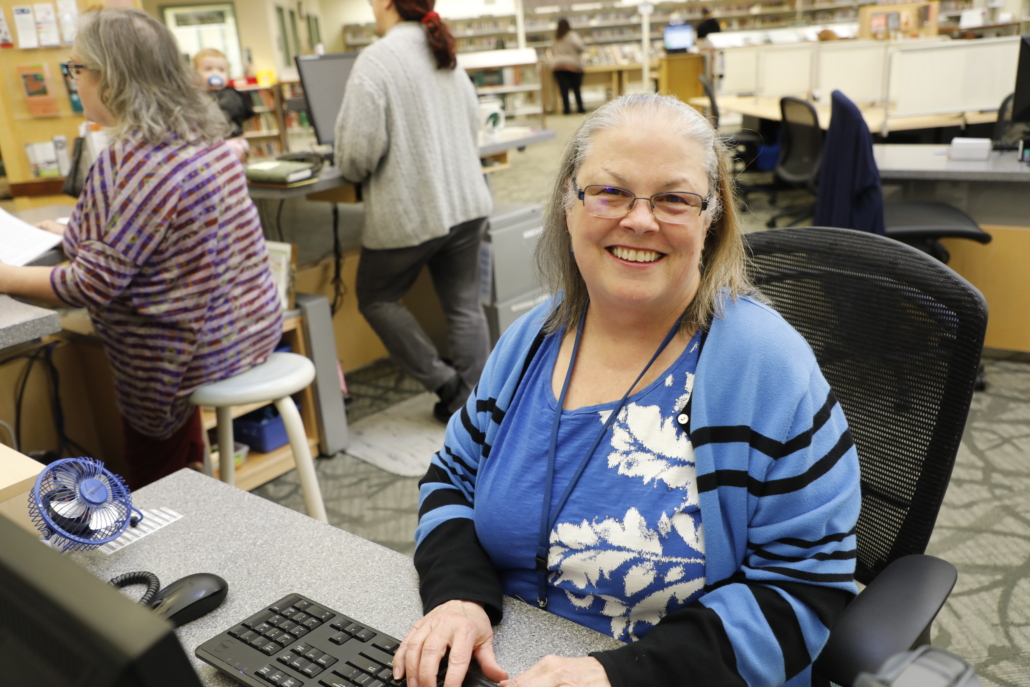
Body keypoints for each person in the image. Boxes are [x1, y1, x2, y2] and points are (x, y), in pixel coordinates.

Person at [397, 94, 862, 687]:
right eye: (611, 192)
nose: (640, 221)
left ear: (711, 216)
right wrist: (459, 596)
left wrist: (615, 677)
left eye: (673, 198)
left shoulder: (767, 368)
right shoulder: (531, 340)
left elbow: (803, 589)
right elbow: (451, 479)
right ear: (570, 204)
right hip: (502, 661)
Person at [0, 8, 282, 490]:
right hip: (250, 330)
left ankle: (178, 512)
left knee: (151, 465)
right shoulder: (205, 138)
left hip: (191, 356)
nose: (75, 82)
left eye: (77, 70)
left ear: (110, 80)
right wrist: (73, 229)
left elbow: (87, 284)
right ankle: (197, 478)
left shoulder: (132, 162)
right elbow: (160, 228)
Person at [334, 0, 492, 424]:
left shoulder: (377, 59)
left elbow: (355, 157)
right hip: (467, 203)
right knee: (464, 304)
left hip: (414, 212)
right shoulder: (444, 53)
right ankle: (474, 405)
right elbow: (472, 123)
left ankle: (447, 385)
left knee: (376, 295)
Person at [193, 47, 255, 162]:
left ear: (228, 75)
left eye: (221, 70)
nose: (215, 73)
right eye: (208, 69)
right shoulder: (195, 97)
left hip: (231, 142)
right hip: (207, 145)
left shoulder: (231, 95)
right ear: (195, 74)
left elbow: (239, 113)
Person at [551, 19, 586, 116]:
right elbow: (581, 47)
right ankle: (580, 108)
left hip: (558, 65)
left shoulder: (556, 37)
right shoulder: (572, 35)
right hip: (572, 65)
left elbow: (552, 51)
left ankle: (566, 109)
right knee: (576, 88)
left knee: (563, 89)